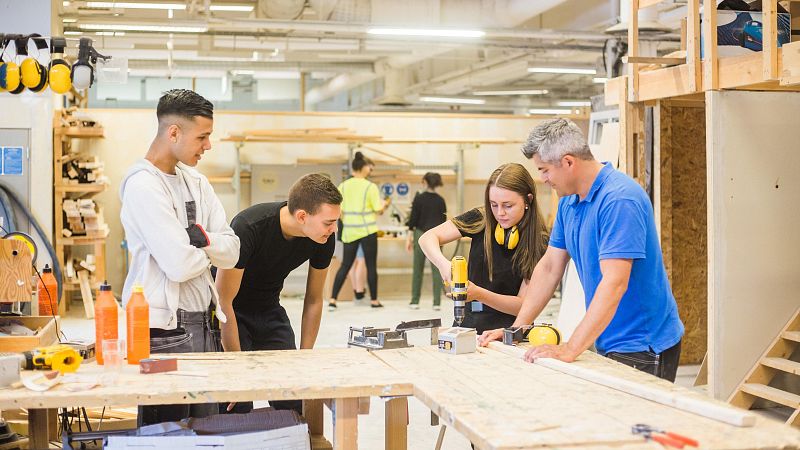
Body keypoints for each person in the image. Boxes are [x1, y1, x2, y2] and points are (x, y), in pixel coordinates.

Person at [479, 118, 685, 382]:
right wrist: (516, 330)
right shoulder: (569, 202)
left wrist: (571, 348)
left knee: (636, 423)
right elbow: (551, 267)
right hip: (609, 337)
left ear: (568, 162)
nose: (542, 179)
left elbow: (615, 282)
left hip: (643, 345)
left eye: (544, 170)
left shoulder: (619, 200)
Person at [119, 89, 240, 425]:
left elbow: (233, 250)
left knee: (206, 432)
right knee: (165, 433)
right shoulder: (143, 185)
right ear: (174, 132)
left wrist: (198, 242)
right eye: (202, 136)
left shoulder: (197, 182)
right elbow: (179, 265)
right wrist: (208, 249)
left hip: (206, 324)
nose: (208, 145)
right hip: (163, 333)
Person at [215, 173, 342, 413]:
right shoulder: (249, 226)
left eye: (336, 221)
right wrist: (235, 369)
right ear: (302, 216)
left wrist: (304, 358)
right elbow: (223, 301)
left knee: (293, 397)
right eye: (328, 222)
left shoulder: (324, 237)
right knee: (236, 402)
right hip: (231, 312)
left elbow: (314, 299)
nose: (334, 228)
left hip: (269, 307)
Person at [419, 163, 547, 333]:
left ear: (528, 200)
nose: (500, 213)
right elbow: (427, 238)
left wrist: (479, 294)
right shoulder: (481, 218)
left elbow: (524, 306)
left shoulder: (539, 241)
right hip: (468, 324)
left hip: (510, 331)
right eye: (494, 204)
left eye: (508, 205)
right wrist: (443, 264)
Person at [328, 152, 389, 310]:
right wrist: (385, 204)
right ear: (363, 168)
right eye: (369, 167)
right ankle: (374, 301)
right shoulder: (370, 187)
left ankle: (333, 300)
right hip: (368, 230)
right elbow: (377, 208)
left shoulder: (343, 186)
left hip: (349, 231)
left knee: (346, 265)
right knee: (371, 265)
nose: (370, 169)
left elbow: (338, 209)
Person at [406, 172, 447, 310]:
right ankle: (436, 303)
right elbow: (443, 222)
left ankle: (415, 301)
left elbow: (413, 220)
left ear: (424, 182)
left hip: (420, 234)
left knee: (418, 268)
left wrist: (409, 237)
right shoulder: (441, 200)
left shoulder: (419, 198)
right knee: (438, 269)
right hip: (437, 236)